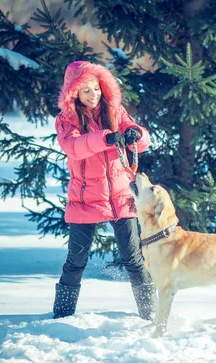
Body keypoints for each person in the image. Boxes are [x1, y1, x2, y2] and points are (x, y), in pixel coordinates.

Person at [52, 60, 156, 320]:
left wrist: (134, 133)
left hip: (121, 196)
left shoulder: (114, 110)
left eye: (96, 89)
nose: (93, 95)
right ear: (73, 92)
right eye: (86, 90)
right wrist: (105, 138)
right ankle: (62, 316)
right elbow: (73, 147)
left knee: (133, 259)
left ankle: (152, 314)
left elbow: (143, 140)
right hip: (85, 198)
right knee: (76, 261)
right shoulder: (66, 119)